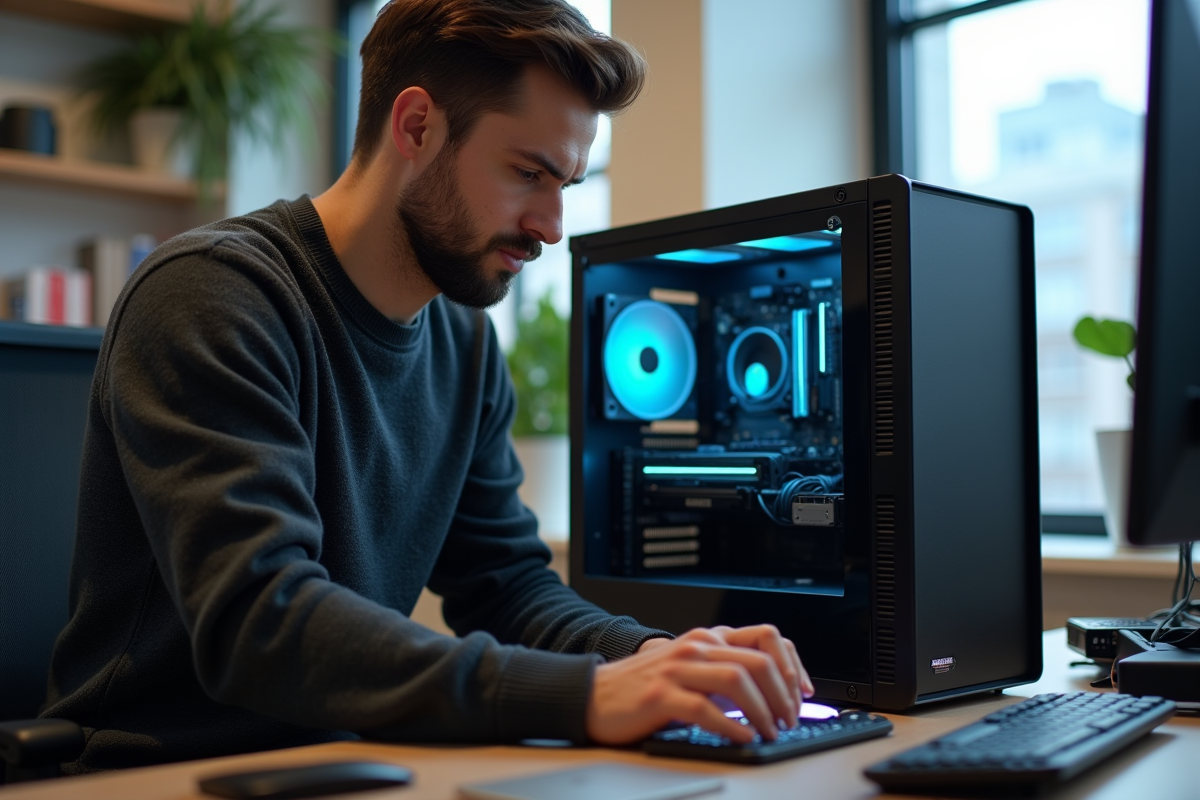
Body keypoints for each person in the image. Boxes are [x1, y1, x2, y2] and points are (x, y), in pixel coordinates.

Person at [43, 0, 813, 773]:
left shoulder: (464, 343)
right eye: (527, 173)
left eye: (568, 183)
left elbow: (504, 584)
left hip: (352, 763)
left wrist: (655, 658)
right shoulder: (213, 296)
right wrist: (587, 696)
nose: (552, 224)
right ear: (415, 127)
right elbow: (261, 623)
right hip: (157, 772)